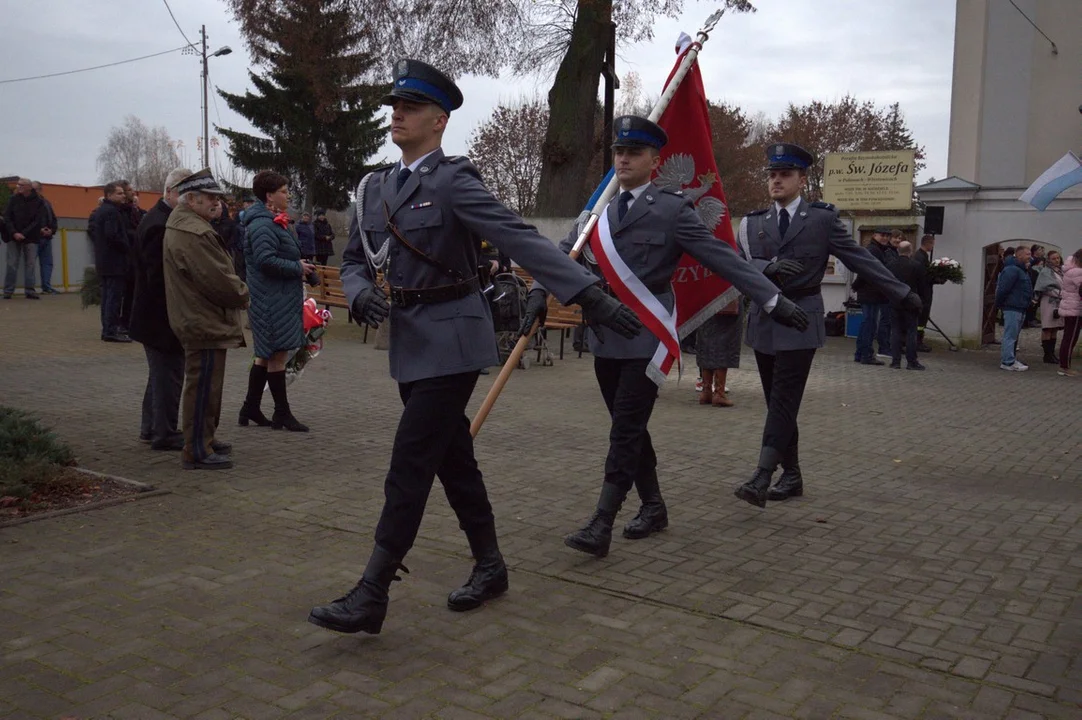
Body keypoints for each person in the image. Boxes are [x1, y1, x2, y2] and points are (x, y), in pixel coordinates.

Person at [308, 58, 642, 636]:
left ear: (438, 121)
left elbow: (518, 237)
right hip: (408, 341)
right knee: (451, 458)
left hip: (456, 338)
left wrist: (585, 294)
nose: (397, 115)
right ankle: (490, 566)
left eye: (409, 108)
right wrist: (358, 293)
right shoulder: (378, 187)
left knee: (411, 460)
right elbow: (356, 258)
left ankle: (373, 591)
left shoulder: (453, 180)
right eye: (395, 106)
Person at [524, 117, 807, 558]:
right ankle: (653, 506)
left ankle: (602, 522)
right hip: (604, 335)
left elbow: (721, 257)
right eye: (619, 150)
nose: (623, 158)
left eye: (634, 152)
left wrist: (772, 300)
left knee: (625, 429)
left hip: (647, 335)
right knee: (628, 427)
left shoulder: (673, 210)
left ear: (655, 161)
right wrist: (539, 291)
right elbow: (564, 253)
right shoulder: (598, 208)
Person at [733, 143, 919, 508]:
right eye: (772, 174)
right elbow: (737, 263)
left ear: (802, 180)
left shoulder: (821, 220)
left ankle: (762, 474)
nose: (776, 180)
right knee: (776, 402)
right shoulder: (754, 223)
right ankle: (793, 474)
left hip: (801, 314)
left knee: (785, 399)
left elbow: (858, 258)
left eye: (784, 174)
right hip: (766, 316)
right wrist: (765, 268)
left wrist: (900, 292)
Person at [162, 169, 249, 470]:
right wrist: (244, 293)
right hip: (203, 319)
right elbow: (216, 280)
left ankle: (203, 439)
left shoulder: (192, 226)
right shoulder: (193, 232)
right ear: (193, 199)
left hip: (203, 318)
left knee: (207, 387)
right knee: (203, 389)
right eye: (211, 197)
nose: (216, 203)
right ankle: (197, 448)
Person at [238, 170, 315, 432]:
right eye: (284, 191)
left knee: (266, 354)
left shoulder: (271, 221)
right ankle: (281, 413)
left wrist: (299, 266)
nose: (288, 194)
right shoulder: (262, 224)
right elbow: (265, 260)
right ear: (269, 196)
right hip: (270, 298)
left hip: (276, 296)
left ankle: (250, 407)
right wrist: (296, 267)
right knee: (277, 354)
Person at [130, 168, 191, 450]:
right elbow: (159, 278)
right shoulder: (159, 225)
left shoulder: (161, 219)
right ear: (169, 193)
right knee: (168, 375)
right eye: (185, 195)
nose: (189, 201)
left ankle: (151, 428)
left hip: (154, 316)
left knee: (159, 376)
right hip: (159, 317)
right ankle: (164, 433)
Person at [94, 182, 133, 341]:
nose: (123, 196)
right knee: (113, 297)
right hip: (114, 261)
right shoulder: (112, 212)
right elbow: (113, 235)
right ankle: (110, 330)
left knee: (107, 297)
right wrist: (127, 247)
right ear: (109, 195)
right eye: (119, 193)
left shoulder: (102, 210)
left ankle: (108, 328)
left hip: (104, 261)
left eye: (123, 193)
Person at [851, 228, 894, 364]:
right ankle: (866, 355)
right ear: (874, 235)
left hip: (871, 292)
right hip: (870, 292)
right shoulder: (873, 250)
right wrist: (856, 285)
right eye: (882, 235)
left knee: (867, 323)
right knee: (869, 324)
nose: (885, 238)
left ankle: (860, 354)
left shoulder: (879, 250)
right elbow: (867, 271)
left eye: (887, 235)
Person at [887, 241, 929, 370]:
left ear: (898, 251)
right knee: (911, 332)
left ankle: (895, 361)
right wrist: (922, 301)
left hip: (895, 301)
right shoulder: (916, 266)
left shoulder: (890, 265)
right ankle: (911, 362)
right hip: (911, 302)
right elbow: (923, 287)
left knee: (895, 331)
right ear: (910, 251)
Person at [695, 300, 744, 407]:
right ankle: (719, 393)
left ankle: (706, 391)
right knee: (724, 343)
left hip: (705, 299)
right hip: (725, 297)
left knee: (706, 341)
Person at [4, 178, 44, 300]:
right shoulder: (13, 199)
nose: (18, 186)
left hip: (31, 237)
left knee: (30, 265)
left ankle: (30, 291)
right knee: (11, 263)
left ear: (28, 187)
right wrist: (14, 232)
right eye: (17, 184)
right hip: (13, 236)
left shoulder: (38, 201)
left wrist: (24, 233)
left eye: (21, 185)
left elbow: (37, 221)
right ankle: (8, 291)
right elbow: (7, 217)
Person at [996, 245, 1033, 372]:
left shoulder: (1021, 270)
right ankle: (1007, 361)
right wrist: (1000, 303)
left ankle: (1011, 358)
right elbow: (1003, 289)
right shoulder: (1012, 269)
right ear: (1019, 255)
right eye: (1027, 254)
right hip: (1012, 306)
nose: (1030, 257)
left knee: (1013, 335)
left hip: (1019, 306)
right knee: (1010, 335)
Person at [1034, 250, 1064, 364]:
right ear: (1048, 260)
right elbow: (1044, 287)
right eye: (1053, 258)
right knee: (1048, 327)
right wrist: (1060, 294)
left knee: (1055, 328)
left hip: (1058, 302)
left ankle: (1052, 353)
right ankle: (1047, 354)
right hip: (1049, 301)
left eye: (1058, 258)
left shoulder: (1060, 271)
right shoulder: (1046, 272)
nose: (1056, 260)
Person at [31, 181, 59, 294]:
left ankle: (46, 286)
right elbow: (27, 221)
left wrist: (52, 230)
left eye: (35, 189)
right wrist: (39, 230)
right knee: (30, 264)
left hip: (47, 238)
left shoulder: (46, 203)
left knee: (47, 263)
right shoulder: (29, 203)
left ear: (40, 190)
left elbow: (53, 218)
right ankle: (30, 288)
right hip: (34, 238)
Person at [1057, 249, 1082, 377]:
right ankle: (1064, 366)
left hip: (1071, 307)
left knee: (1069, 337)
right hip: (1074, 308)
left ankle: (1064, 365)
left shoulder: (1070, 270)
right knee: (1070, 338)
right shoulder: (1077, 272)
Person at [915, 234, 935, 352]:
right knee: (921, 319)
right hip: (923, 294)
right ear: (927, 243)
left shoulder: (922, 256)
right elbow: (923, 277)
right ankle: (918, 341)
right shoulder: (920, 257)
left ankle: (919, 340)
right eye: (932, 244)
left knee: (922, 319)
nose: (932, 247)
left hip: (923, 293)